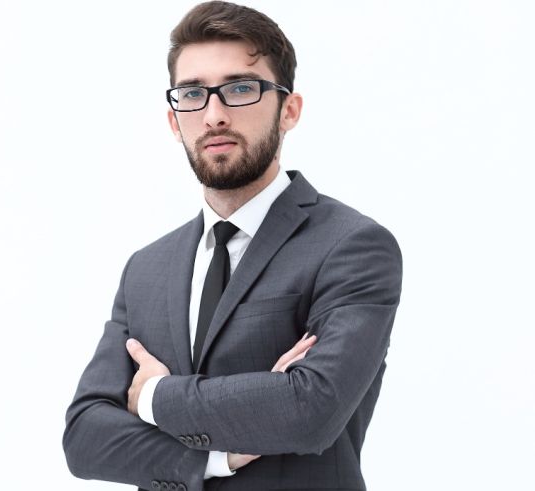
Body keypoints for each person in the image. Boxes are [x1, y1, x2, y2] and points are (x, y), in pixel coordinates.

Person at [62, 2, 403, 490]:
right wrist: (217, 456)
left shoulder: (351, 246)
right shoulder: (147, 268)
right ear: (174, 120)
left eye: (241, 88)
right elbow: (85, 438)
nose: (214, 115)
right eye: (193, 94)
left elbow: (311, 411)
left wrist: (154, 397)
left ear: (289, 110)